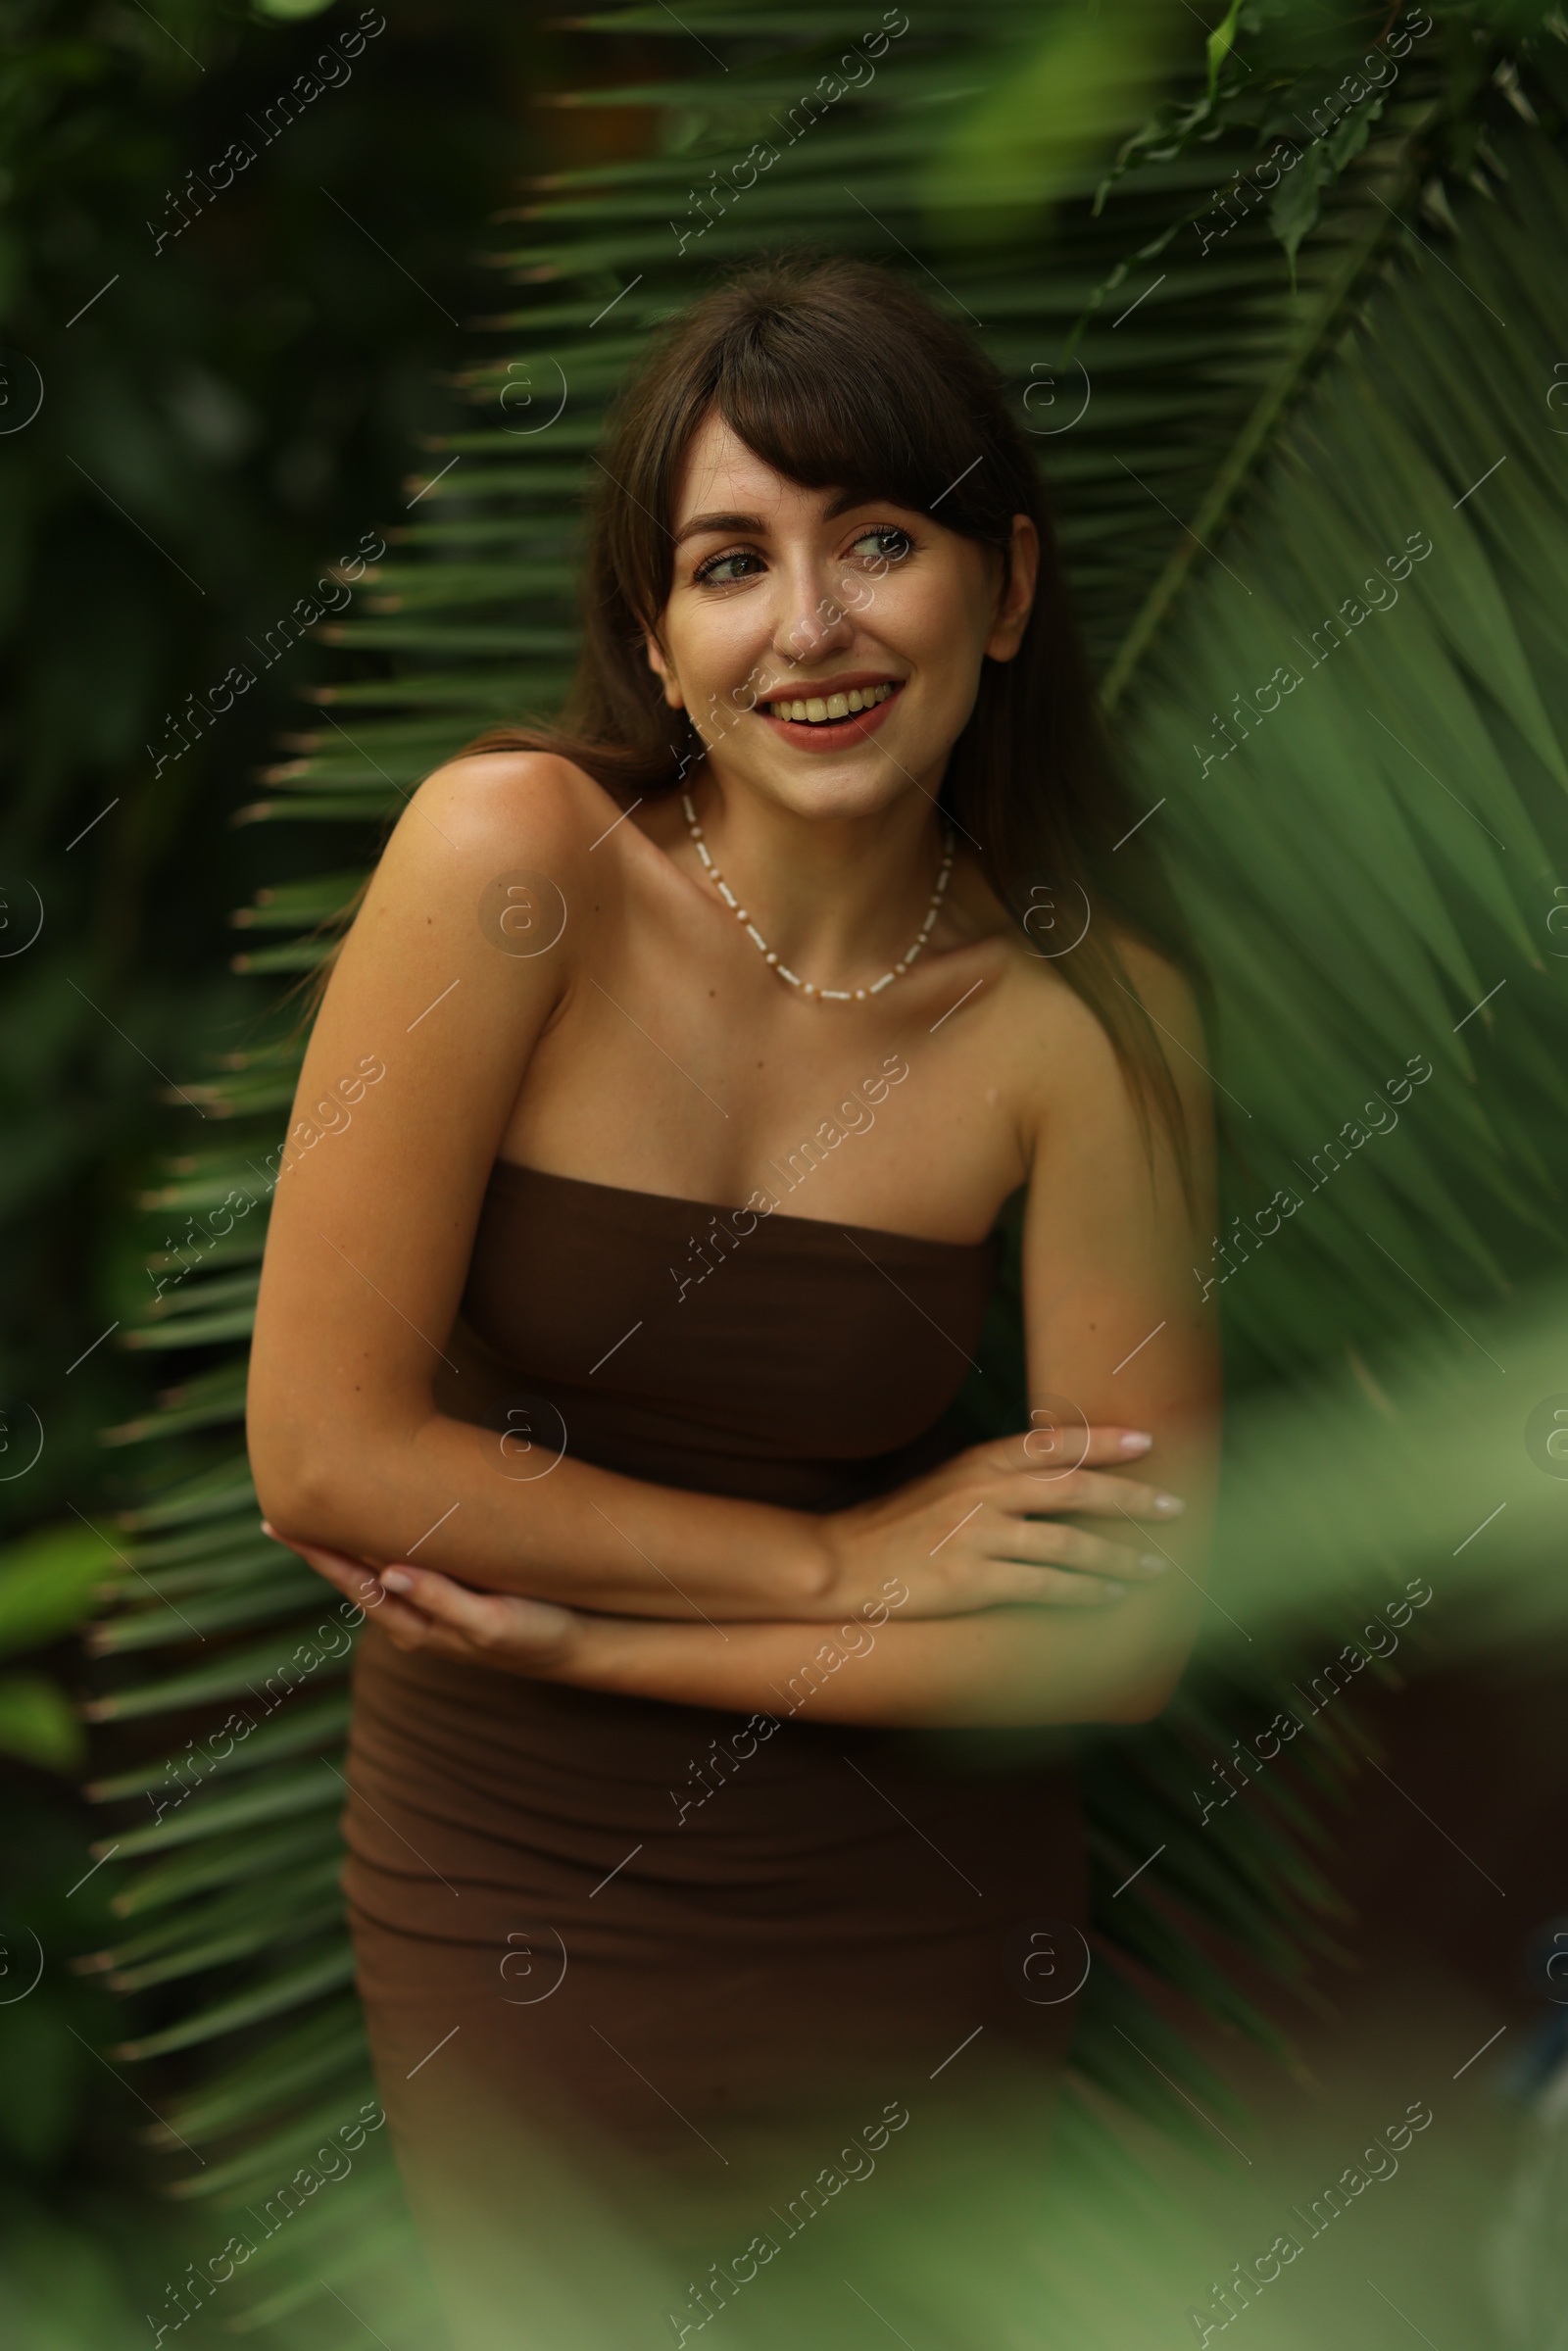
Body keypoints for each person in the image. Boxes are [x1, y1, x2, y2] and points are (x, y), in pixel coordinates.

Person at [247, 255, 1220, 2349]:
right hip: (509, 1880)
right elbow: (326, 1451)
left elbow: (1125, 1637)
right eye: (726, 561)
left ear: (1007, 586)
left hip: (910, 1912)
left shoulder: (1086, 1022)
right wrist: (828, 1555)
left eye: (878, 538)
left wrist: (606, 1637)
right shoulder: (511, 862)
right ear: (657, 643)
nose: (810, 626)